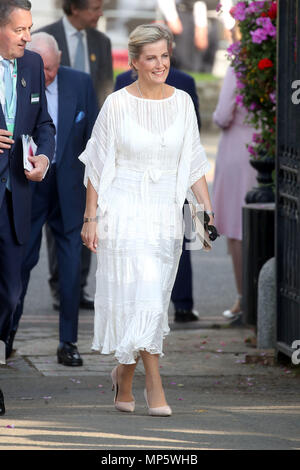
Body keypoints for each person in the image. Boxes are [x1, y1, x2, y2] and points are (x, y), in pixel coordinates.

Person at [80, 24, 215, 416]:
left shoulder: (183, 102)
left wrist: (204, 214)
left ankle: (123, 375)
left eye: (165, 57)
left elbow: (193, 164)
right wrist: (91, 218)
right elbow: (97, 166)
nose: (160, 65)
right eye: (151, 58)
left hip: (164, 216)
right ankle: (154, 384)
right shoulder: (117, 104)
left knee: (152, 300)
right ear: (135, 61)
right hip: (122, 212)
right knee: (144, 296)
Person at [7, 32, 99, 366]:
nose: (48, 76)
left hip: (70, 187)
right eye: (44, 68)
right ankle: (8, 338)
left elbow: (93, 138)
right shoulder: (17, 78)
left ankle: (68, 342)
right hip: (29, 184)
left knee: (72, 268)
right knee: (19, 265)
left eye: (53, 69)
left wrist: (94, 195)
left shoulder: (80, 82)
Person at [38, 0, 113, 311]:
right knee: (56, 228)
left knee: (85, 217)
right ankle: (61, 286)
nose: (99, 13)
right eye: (94, 7)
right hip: (51, 144)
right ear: (75, 8)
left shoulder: (101, 41)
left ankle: (78, 286)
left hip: (87, 142)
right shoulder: (43, 37)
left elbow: (105, 91)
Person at [0, 0, 55, 415]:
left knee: (11, 292)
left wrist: (43, 158)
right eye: (19, 29)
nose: (26, 37)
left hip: (16, 198)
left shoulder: (33, 65)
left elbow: (44, 126)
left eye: (29, 28)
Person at [114, 65, 201, 322]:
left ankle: (155, 305)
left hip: (168, 176)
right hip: (162, 175)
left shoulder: (183, 84)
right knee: (179, 241)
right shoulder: (184, 79)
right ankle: (182, 306)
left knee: (173, 240)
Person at [212, 64, 257, 320]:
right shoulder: (273, 60)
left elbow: (222, 115)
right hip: (263, 143)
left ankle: (243, 297)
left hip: (237, 149)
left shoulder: (239, 65)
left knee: (238, 229)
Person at [157, 0, 234, 73]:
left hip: (212, 16)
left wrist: (228, 23)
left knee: (207, 66)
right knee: (185, 66)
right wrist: (171, 17)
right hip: (186, 15)